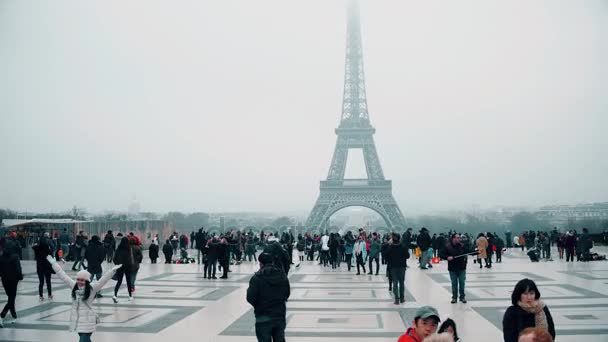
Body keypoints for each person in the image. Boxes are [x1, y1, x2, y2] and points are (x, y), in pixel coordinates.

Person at [47, 255, 122, 342]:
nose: (79, 282)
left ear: (87, 281)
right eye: (78, 279)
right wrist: (54, 264)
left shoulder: (92, 288)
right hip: (78, 321)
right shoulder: (74, 286)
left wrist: (112, 271)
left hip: (88, 321)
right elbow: (63, 276)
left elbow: (103, 280)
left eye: (82, 280)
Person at [246, 253, 290, 342]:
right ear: (272, 262)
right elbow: (287, 293)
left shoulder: (256, 278)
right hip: (279, 314)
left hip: (263, 316)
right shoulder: (282, 275)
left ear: (260, 263)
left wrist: (258, 305)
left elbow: (250, 297)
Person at [440, 233, 470, 304]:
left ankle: (462, 297)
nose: (459, 239)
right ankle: (454, 297)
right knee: (454, 284)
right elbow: (441, 254)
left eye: (459, 238)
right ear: (453, 239)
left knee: (462, 283)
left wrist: (477, 251)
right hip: (452, 268)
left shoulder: (462, 246)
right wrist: (447, 257)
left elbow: (469, 251)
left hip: (462, 267)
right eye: (457, 238)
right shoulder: (447, 246)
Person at [0, 238, 23, 327]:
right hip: (13, 280)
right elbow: (18, 269)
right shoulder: (15, 257)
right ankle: (2, 315)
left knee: (10, 298)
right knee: (11, 299)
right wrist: (20, 277)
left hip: (5, 280)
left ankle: (14, 316)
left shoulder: (1, 257)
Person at [385, 233, 408, 304]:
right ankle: (402, 298)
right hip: (402, 267)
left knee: (395, 282)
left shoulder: (390, 247)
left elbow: (386, 256)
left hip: (393, 267)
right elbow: (407, 256)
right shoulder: (403, 246)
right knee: (401, 282)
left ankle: (396, 299)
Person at [112, 237, 137, 302]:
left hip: (120, 266)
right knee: (128, 282)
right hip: (127, 267)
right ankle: (130, 296)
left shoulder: (118, 249)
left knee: (119, 281)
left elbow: (114, 259)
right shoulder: (129, 249)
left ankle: (115, 295)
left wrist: (118, 264)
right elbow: (130, 259)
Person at [33, 233, 55, 301]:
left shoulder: (37, 250)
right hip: (47, 267)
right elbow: (52, 252)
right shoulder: (48, 250)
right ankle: (49, 294)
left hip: (40, 267)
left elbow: (34, 247)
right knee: (48, 281)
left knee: (41, 282)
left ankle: (41, 296)